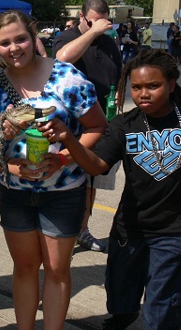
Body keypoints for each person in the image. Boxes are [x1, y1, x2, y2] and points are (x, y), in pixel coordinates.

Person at [40, 48, 181, 330]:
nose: (143, 94)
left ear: (171, 84)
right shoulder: (123, 125)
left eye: (153, 86)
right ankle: (123, 315)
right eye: (137, 87)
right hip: (131, 227)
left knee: (162, 304)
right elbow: (96, 165)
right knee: (120, 294)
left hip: (173, 229)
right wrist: (69, 138)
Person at [0, 10, 107, 329]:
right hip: (14, 193)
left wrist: (64, 157)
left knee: (56, 270)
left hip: (64, 193)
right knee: (25, 268)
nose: (15, 48)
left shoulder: (68, 77)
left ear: (34, 35)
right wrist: (10, 166)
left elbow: (97, 126)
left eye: (21, 39)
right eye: (5, 42)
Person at [53, 0, 122, 253]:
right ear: (82, 17)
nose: (101, 26)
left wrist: (118, 96)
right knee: (71, 179)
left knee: (92, 181)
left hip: (102, 122)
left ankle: (82, 230)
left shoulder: (108, 43)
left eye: (104, 21)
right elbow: (62, 58)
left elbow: (118, 72)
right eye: (93, 20)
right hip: (73, 125)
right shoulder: (68, 36)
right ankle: (65, 234)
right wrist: (92, 32)